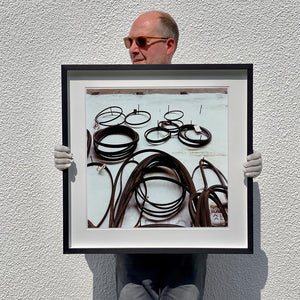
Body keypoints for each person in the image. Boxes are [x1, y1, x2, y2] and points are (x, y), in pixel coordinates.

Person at [54, 11, 262, 299]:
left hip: (188, 246)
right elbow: (96, 177)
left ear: (169, 45)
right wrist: (72, 161)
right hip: (132, 246)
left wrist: (242, 165)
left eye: (141, 40)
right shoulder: (111, 96)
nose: (132, 49)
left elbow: (220, 150)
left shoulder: (203, 95)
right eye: (128, 41)